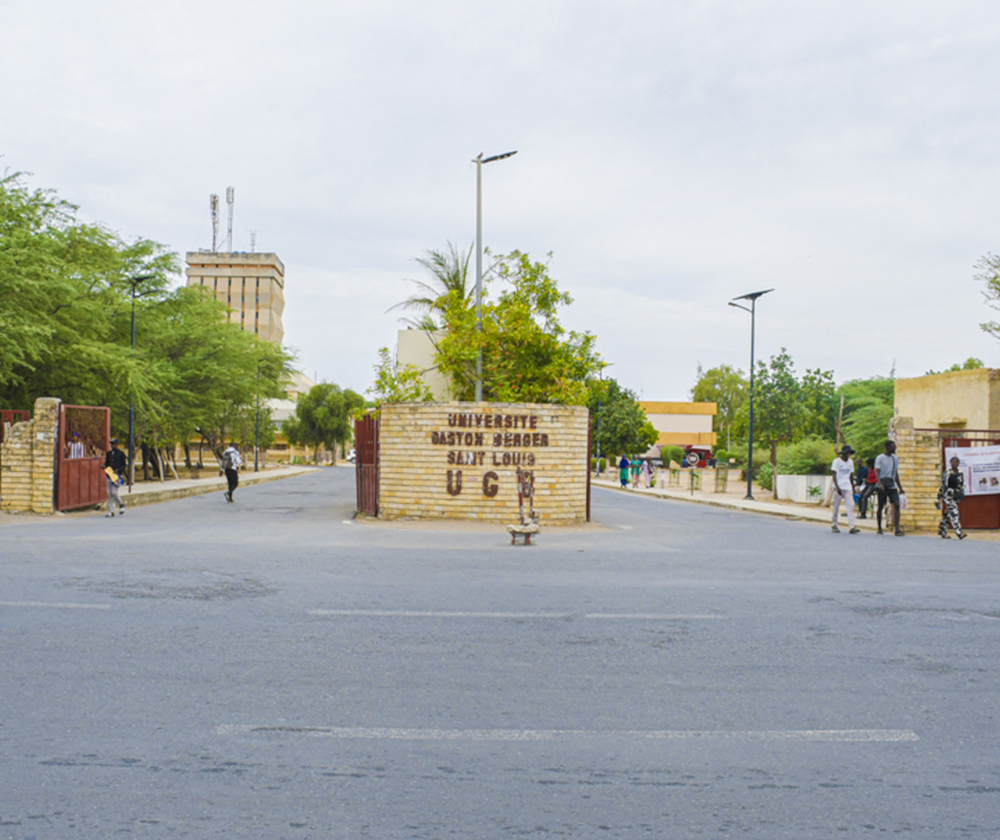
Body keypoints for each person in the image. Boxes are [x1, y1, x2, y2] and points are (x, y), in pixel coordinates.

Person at [874, 439, 905, 536]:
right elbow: (877, 471)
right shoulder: (880, 458)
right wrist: (879, 483)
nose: (895, 448)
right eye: (893, 447)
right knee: (881, 505)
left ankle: (897, 529)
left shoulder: (895, 459)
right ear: (888, 447)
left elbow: (896, 473)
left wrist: (900, 487)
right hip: (882, 483)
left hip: (891, 485)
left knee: (896, 504)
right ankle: (879, 528)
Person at [830, 444, 860, 534]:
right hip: (838, 486)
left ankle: (852, 526)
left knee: (851, 505)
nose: (848, 454)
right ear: (843, 453)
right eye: (847, 453)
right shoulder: (836, 462)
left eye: (849, 453)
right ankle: (834, 524)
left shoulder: (850, 462)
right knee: (836, 506)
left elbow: (851, 475)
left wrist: (853, 487)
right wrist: (837, 487)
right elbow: (834, 475)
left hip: (847, 486)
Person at [936, 455, 967, 539]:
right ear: (950, 463)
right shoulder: (946, 473)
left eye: (956, 462)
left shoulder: (960, 473)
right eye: (953, 462)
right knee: (954, 513)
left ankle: (942, 530)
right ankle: (959, 533)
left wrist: (961, 495)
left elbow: (961, 485)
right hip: (948, 496)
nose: (955, 463)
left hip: (956, 496)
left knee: (948, 514)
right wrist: (938, 498)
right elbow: (942, 486)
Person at [104, 438, 126, 517]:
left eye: (113, 444)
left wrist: (118, 470)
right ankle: (111, 511)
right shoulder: (109, 453)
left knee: (114, 492)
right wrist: (104, 466)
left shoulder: (121, 454)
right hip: (109, 475)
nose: (112, 446)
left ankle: (121, 504)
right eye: (111, 444)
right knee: (109, 493)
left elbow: (124, 465)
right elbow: (107, 463)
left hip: (116, 476)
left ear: (116, 445)